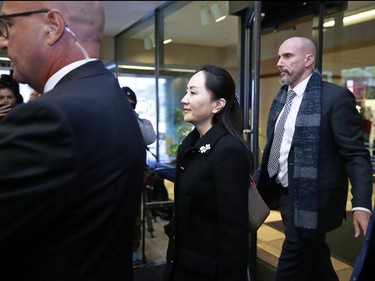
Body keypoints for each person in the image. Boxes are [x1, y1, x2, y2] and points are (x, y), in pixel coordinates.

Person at [0, 2, 146, 281]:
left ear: (53, 26)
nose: (3, 41)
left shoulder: (49, 116)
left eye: (9, 24)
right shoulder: (110, 95)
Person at [254, 36, 373, 281]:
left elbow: (355, 154)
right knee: (315, 256)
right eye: (279, 56)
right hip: (285, 195)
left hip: (314, 200)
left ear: (309, 59)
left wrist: (361, 203)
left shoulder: (336, 98)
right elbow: (277, 147)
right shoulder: (282, 98)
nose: (279, 62)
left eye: (287, 56)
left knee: (291, 259)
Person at [163, 64, 254, 281]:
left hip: (208, 269)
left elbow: (234, 232)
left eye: (193, 92)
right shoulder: (191, 142)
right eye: (186, 91)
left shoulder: (228, 150)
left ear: (218, 104)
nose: (184, 99)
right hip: (183, 260)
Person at [122, 86, 157, 266]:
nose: (129, 106)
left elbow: (150, 138)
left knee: (135, 218)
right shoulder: (112, 120)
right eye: (125, 103)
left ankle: (134, 252)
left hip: (134, 178)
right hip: (114, 180)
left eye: (131, 103)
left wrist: (131, 116)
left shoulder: (142, 123)